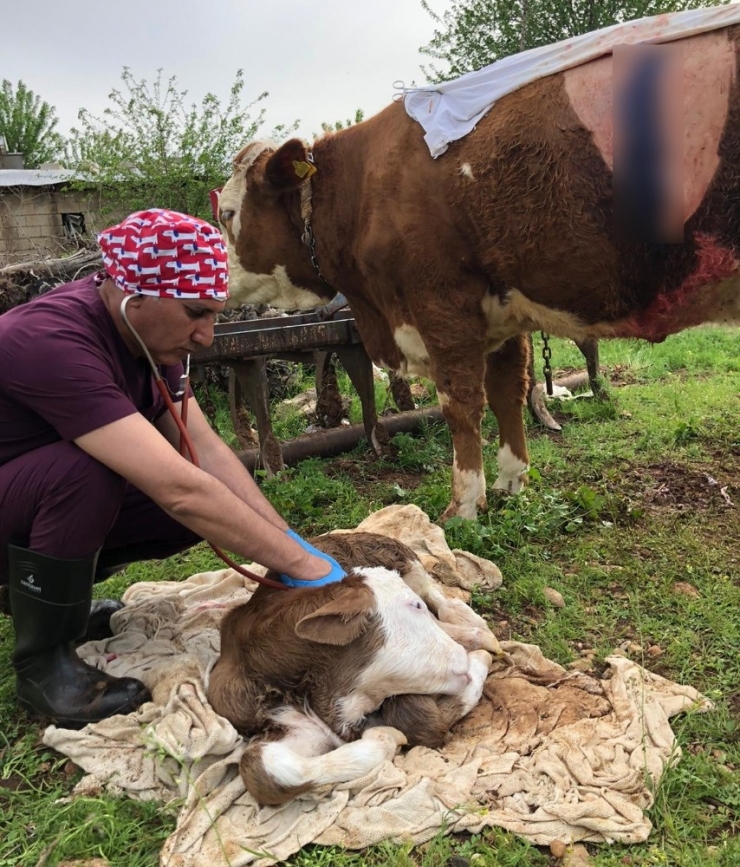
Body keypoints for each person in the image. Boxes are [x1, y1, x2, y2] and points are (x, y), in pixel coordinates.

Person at [0, 207, 346, 729]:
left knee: (199, 505)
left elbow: (202, 451)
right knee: (86, 473)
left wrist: (288, 546)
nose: (206, 335)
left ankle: (53, 607)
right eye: (195, 313)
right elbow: (176, 486)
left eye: (213, 314)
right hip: (26, 492)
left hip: (20, 499)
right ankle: (43, 664)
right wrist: (312, 571)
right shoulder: (48, 340)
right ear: (134, 297)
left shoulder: (150, 339)